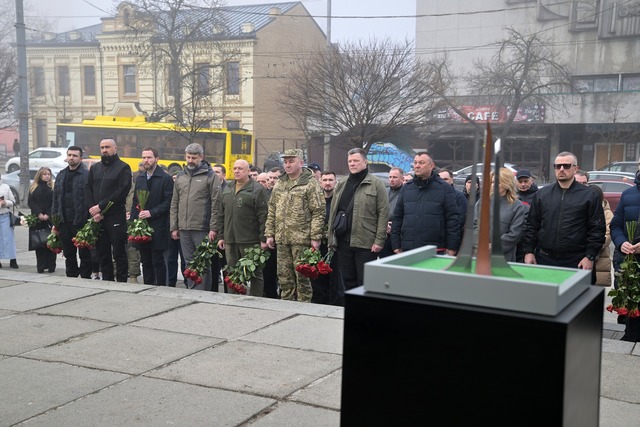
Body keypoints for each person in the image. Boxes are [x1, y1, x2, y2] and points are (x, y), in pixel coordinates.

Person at [522, 152, 605, 284]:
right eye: (557, 166)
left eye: (566, 166)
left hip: (577, 260)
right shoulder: (542, 194)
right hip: (545, 259)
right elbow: (532, 225)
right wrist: (529, 251)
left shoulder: (589, 195)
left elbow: (597, 229)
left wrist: (590, 256)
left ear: (575, 169)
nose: (561, 169)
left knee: (577, 297)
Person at [265, 148, 324, 302]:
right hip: (282, 239)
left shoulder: (310, 183)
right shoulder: (280, 183)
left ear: (301, 162)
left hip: (302, 239)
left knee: (302, 278)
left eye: (291, 161)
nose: (288, 165)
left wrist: (315, 237)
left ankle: (304, 308)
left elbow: (318, 211)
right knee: (284, 278)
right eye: (285, 162)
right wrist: (269, 233)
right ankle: (287, 306)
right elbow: (272, 209)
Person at [328, 148, 388, 291]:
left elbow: (383, 212)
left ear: (365, 162)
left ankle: (364, 306)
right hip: (343, 242)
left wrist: (379, 240)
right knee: (347, 282)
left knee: (365, 282)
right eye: (350, 161)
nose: (352, 164)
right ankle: (351, 305)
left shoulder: (376, 184)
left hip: (366, 242)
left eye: (356, 161)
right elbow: (333, 211)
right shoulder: (342, 183)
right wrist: (331, 237)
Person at [170, 143, 221, 291]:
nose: (190, 160)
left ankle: (204, 293)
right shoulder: (181, 176)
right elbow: (175, 203)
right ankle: (192, 291)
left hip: (202, 228)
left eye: (194, 158)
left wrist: (213, 228)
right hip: (184, 228)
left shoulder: (210, 176)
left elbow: (216, 204)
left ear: (201, 157)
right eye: (188, 157)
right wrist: (174, 226)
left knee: (203, 263)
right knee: (189, 263)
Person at [391, 152, 460, 255]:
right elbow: (397, 217)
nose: (417, 166)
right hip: (409, 247)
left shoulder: (444, 188)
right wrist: (396, 244)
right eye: (415, 163)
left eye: (421, 163)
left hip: (435, 249)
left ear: (431, 166)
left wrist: (452, 246)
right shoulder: (406, 188)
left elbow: (452, 219)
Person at [217, 159, 269, 296]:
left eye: (240, 168)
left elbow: (263, 216)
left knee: (255, 273)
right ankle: (234, 298)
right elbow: (221, 214)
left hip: (250, 240)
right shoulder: (227, 188)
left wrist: (263, 238)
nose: (236, 171)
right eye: (234, 168)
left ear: (248, 171)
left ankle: (255, 299)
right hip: (230, 239)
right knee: (232, 272)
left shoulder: (257, 189)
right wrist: (221, 236)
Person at [86, 137, 132, 282]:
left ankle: (122, 281)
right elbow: (88, 189)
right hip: (98, 217)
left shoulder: (123, 167)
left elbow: (121, 191)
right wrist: (94, 210)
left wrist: (101, 206)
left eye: (107, 147)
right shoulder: (95, 168)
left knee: (119, 252)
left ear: (115, 148)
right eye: (102, 147)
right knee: (102, 252)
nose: (104, 150)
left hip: (115, 215)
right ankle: (107, 281)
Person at [130, 147, 173, 286]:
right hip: (142, 225)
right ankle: (147, 286)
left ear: (156, 159)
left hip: (158, 224)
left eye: (149, 157)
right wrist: (133, 223)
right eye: (144, 157)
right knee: (145, 260)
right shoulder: (140, 178)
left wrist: (152, 212)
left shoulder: (165, 178)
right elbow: (135, 201)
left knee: (158, 260)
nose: (146, 160)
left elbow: (168, 202)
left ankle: (161, 287)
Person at [52, 146, 92, 278]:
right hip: (64, 221)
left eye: (75, 156)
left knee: (85, 253)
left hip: (81, 221)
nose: (71, 158)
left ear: (80, 158)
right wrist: (55, 221)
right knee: (69, 253)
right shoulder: (61, 175)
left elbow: (91, 198)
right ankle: (71, 277)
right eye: (69, 155)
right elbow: (56, 199)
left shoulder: (86, 175)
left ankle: (85, 277)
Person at [473, 168, 526, 262]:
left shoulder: (517, 206)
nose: (493, 185)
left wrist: (494, 246)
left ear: (507, 184)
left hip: (503, 257)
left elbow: (514, 234)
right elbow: (474, 225)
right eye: (493, 182)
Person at [312, 170, 344, 305]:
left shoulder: (340, 200)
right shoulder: (316, 200)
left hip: (335, 245)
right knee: (318, 279)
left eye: (330, 180)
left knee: (336, 279)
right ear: (320, 182)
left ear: (335, 182)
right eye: (325, 180)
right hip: (318, 244)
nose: (327, 183)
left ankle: (335, 306)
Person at [27, 167, 57, 273]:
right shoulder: (33, 187)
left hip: (50, 219)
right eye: (44, 174)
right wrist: (39, 213)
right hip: (37, 219)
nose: (47, 176)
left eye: (48, 174)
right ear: (40, 175)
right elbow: (30, 202)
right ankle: (41, 266)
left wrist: (48, 214)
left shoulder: (53, 187)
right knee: (39, 243)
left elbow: (55, 202)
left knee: (51, 243)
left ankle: (51, 266)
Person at [591, 185, 613, 286]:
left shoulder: (607, 213)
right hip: (581, 257)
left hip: (600, 257)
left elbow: (608, 235)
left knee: (596, 288)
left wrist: (592, 247)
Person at [379, 167, 404, 258]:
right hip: (384, 233)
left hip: (399, 234)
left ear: (402, 179)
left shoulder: (406, 192)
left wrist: (395, 225)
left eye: (395, 177)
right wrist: (384, 224)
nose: (391, 179)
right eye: (390, 177)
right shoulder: (384, 191)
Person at [0, 174, 16, 268]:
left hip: (5, 215)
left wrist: (5, 203)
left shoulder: (5, 187)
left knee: (9, 238)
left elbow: (13, 201)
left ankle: (13, 259)